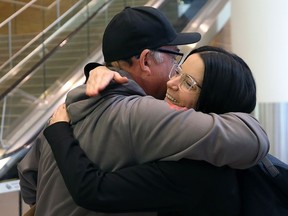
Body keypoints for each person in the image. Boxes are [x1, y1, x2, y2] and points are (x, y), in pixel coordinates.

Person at [18, 6, 269, 216]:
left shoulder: (67, 108)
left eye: (186, 79)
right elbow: (252, 140)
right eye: (175, 60)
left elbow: (29, 183)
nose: (173, 77)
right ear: (146, 60)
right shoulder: (143, 114)